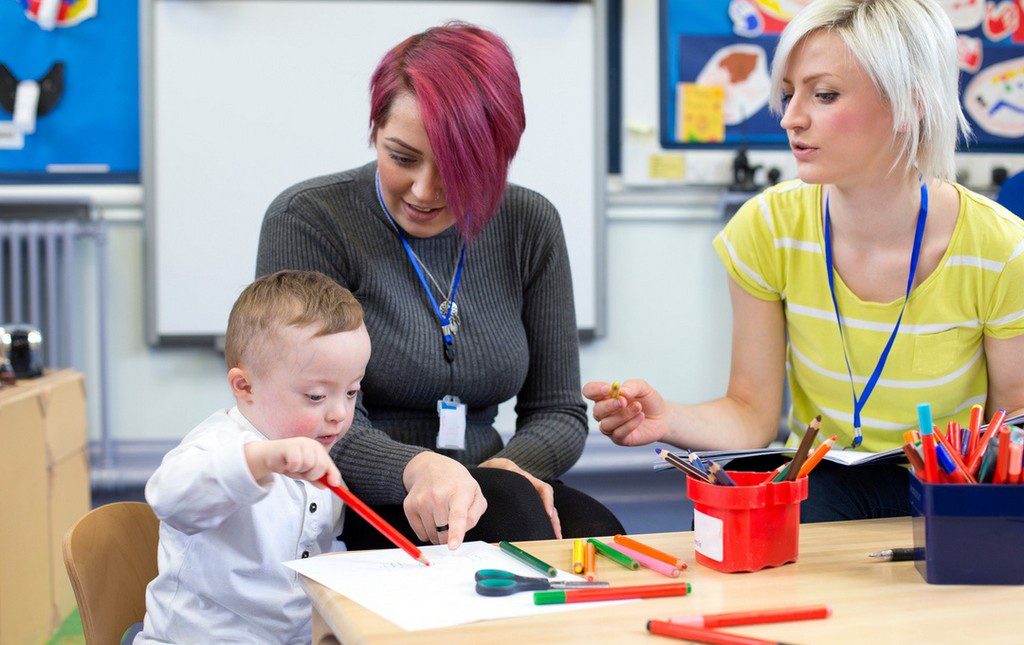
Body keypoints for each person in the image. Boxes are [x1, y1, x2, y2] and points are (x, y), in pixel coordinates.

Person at [586, 0, 1024, 522]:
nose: (791, 117)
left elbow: (1009, 429)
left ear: (913, 102)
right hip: (822, 484)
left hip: (948, 490)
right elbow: (750, 416)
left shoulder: (1000, 248)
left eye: (825, 95)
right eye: (790, 94)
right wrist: (666, 418)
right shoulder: (767, 229)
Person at [256, 22, 623, 551]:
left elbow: (558, 412)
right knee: (517, 522)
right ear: (375, 131)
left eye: (456, 168)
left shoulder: (530, 222)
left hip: (489, 481)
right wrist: (421, 468)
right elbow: (310, 420)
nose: (424, 191)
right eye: (401, 157)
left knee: (600, 535)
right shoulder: (309, 220)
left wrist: (504, 471)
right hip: (356, 493)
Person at [137, 270, 370, 644]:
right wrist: (261, 461)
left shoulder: (314, 448)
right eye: (315, 396)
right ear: (245, 387)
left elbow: (318, 550)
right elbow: (168, 497)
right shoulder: (217, 445)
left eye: (352, 391)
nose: (339, 414)